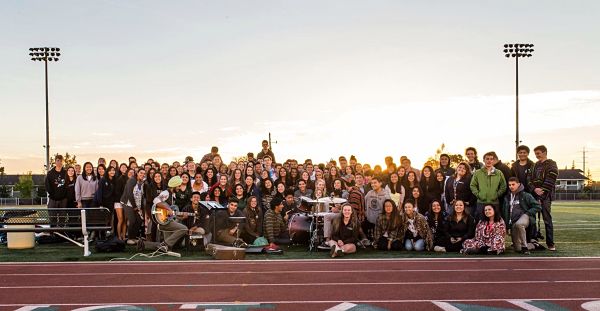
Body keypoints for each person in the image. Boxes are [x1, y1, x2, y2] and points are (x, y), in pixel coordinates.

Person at [528, 145, 559, 251]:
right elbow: (529, 178)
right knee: (532, 219)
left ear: (545, 152)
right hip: (534, 196)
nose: (537, 155)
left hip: (546, 196)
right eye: (535, 153)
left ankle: (550, 243)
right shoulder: (534, 165)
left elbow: (552, 176)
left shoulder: (551, 164)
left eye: (538, 153)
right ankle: (533, 240)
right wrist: (534, 189)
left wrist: (543, 191)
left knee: (547, 219)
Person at [503, 177, 542, 254]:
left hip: (524, 217)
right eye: (509, 185)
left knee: (519, 224)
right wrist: (507, 226)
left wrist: (527, 213)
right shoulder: (507, 197)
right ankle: (533, 245)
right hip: (513, 222)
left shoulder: (526, 195)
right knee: (517, 248)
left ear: (518, 184)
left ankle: (525, 247)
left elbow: (538, 206)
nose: (511, 186)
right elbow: (506, 212)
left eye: (513, 184)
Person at [470, 152, 507, 222]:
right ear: (484, 160)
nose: (489, 161)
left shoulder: (498, 173)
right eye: (487, 159)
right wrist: (478, 195)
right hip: (481, 201)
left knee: (495, 221)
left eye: (491, 159)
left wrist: (497, 195)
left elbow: (503, 186)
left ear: (493, 160)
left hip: (494, 202)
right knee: (481, 221)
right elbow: (472, 185)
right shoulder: (478, 172)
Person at [120, 168, 146, 244]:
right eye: (141, 173)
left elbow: (141, 195)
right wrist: (135, 206)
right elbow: (129, 194)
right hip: (127, 202)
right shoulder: (132, 180)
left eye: (144, 173)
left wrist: (140, 207)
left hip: (136, 203)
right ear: (137, 173)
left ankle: (134, 238)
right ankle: (129, 239)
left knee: (139, 220)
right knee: (133, 220)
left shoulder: (142, 182)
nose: (142, 175)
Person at [363, 177, 391, 241]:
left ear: (380, 183)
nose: (373, 185)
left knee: (380, 241)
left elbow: (389, 206)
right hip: (370, 221)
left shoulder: (385, 194)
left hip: (381, 222)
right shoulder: (369, 193)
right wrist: (365, 212)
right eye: (372, 183)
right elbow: (363, 202)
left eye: (375, 183)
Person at [45, 154, 67, 226]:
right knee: (52, 218)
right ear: (55, 161)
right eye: (58, 160)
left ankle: (61, 235)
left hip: (63, 199)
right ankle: (53, 234)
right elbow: (47, 186)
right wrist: (53, 195)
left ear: (63, 162)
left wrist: (64, 195)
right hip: (53, 199)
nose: (59, 162)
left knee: (62, 219)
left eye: (61, 161)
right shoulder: (50, 173)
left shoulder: (65, 172)